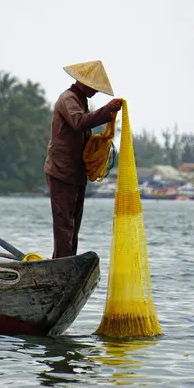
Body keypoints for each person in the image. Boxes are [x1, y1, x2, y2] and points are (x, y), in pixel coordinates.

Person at [43, 60, 123, 259]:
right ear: (83, 83)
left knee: (73, 226)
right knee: (64, 225)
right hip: (61, 172)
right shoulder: (68, 98)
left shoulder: (81, 102)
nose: (95, 92)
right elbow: (79, 123)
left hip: (76, 175)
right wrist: (107, 110)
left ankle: (66, 263)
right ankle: (61, 265)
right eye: (94, 88)